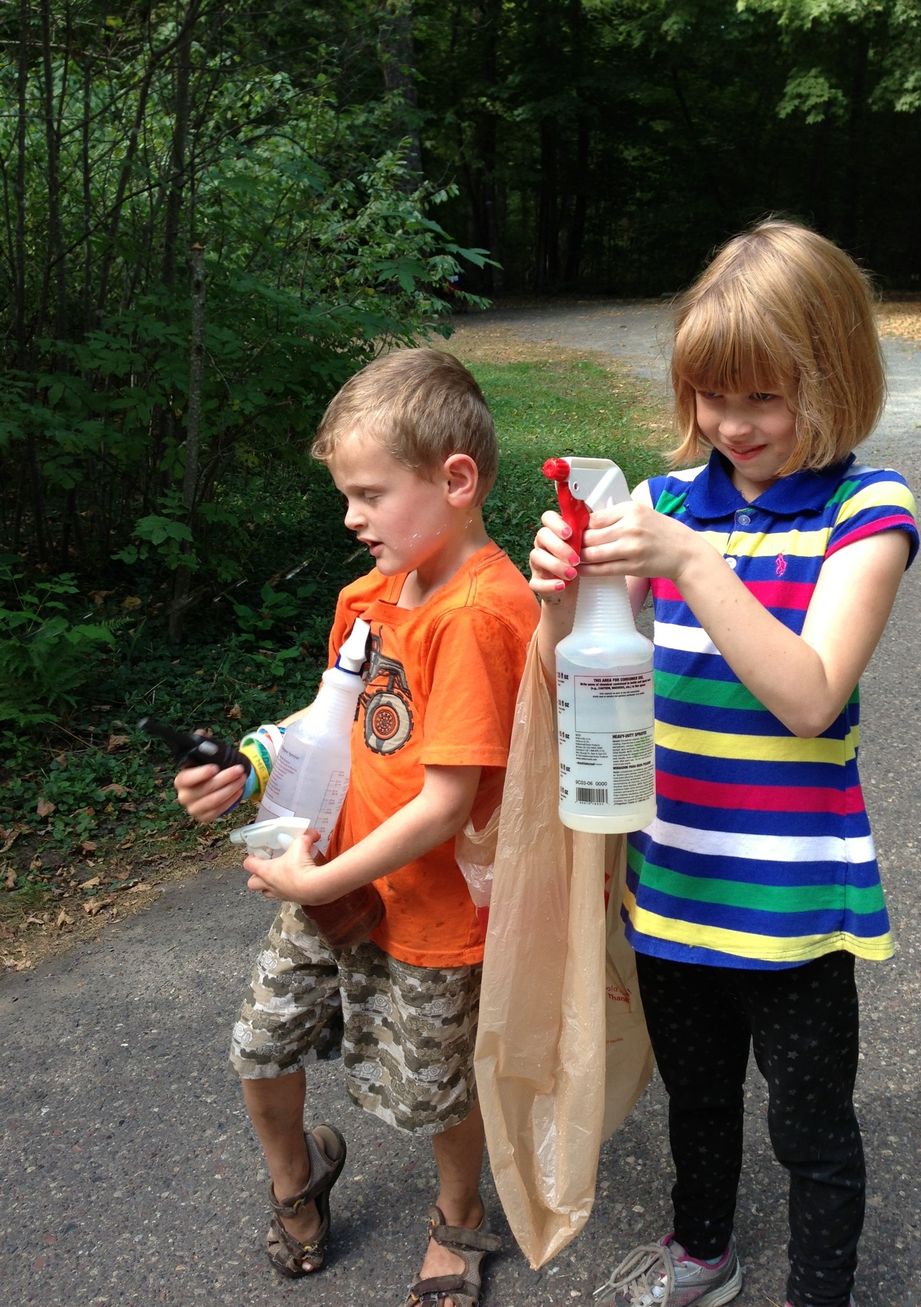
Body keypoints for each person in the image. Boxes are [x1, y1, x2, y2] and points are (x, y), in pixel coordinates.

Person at [528, 220, 919, 1307]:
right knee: (694, 1103)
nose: (727, 425)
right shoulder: (655, 506)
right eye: (709, 396)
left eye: (761, 398)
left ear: (832, 379)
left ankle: (818, 1288)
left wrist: (693, 565)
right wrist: (559, 591)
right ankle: (700, 1250)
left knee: (808, 1124)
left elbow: (807, 693)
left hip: (791, 903)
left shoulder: (864, 512)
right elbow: (574, 674)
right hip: (671, 884)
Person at [174, 347, 538, 1307]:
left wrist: (319, 883)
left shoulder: (480, 614)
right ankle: (298, 1186)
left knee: (431, 1092)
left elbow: (446, 803)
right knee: (261, 1042)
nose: (351, 517)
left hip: (431, 915)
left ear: (456, 480)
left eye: (370, 494)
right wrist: (251, 761)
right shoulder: (368, 598)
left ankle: (459, 1219)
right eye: (348, 493)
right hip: (331, 877)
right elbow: (324, 720)